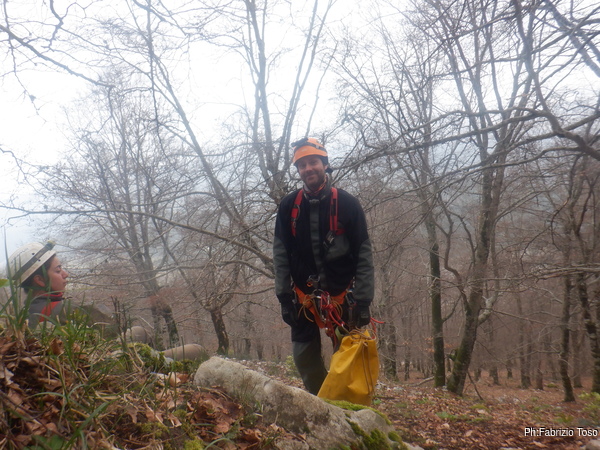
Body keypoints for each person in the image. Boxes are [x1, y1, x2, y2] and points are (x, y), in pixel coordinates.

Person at [273, 137, 375, 395]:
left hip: (343, 295)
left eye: (313, 162)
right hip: (302, 297)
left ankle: (346, 403)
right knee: (304, 357)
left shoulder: (347, 204)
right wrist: (284, 296)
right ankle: (321, 400)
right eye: (302, 165)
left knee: (348, 356)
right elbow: (280, 252)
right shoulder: (289, 206)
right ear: (298, 170)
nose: (308, 168)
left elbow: (363, 253)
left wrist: (363, 301)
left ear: (325, 164)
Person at [6, 241, 69, 330]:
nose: (65, 274)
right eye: (58, 270)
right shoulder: (65, 309)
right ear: (39, 280)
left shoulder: (21, 318)